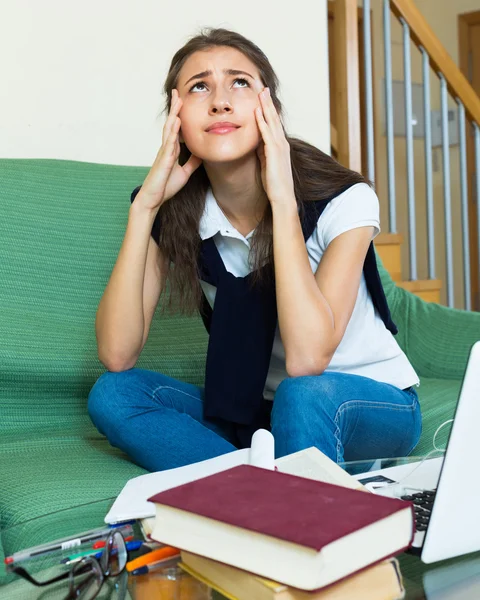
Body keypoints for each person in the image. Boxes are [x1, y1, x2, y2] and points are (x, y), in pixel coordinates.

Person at [87, 27, 422, 473]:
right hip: (256, 411)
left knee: (301, 396)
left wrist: (283, 201)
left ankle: (268, 499)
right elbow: (117, 354)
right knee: (113, 394)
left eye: (239, 82)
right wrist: (145, 207)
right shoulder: (176, 211)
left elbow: (306, 361)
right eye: (199, 86)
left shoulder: (344, 198)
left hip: (368, 401)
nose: (220, 100)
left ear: (270, 107)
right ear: (178, 117)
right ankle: (257, 487)